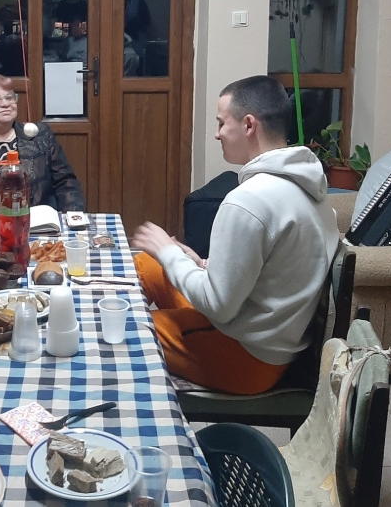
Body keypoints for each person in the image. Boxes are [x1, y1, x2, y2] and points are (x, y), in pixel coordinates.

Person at [131, 75, 339, 395]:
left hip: (246, 356)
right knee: (149, 264)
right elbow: (271, 274)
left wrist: (169, 252)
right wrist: (200, 263)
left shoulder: (249, 200)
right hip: (268, 339)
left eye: (221, 123)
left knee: (124, 327)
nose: (217, 134)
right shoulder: (310, 187)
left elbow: (218, 306)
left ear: (249, 125)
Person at [0, 73, 86, 213]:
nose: (5, 104)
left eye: (9, 97)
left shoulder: (41, 136)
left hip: (39, 222)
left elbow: (66, 183)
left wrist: (72, 217)